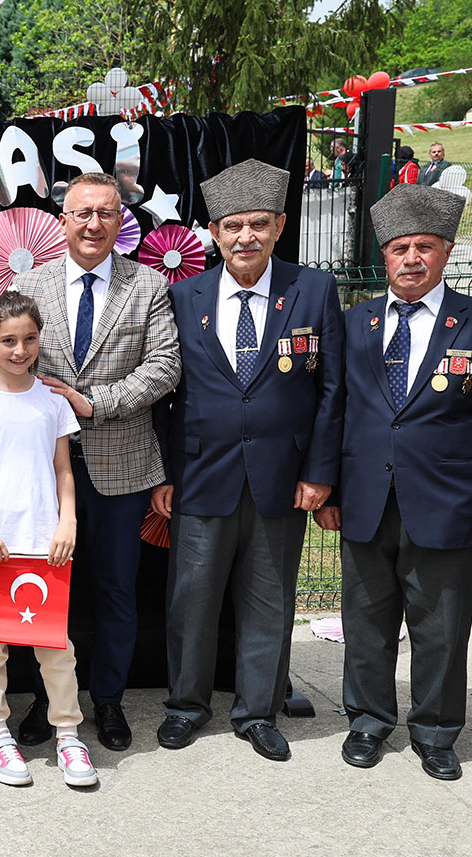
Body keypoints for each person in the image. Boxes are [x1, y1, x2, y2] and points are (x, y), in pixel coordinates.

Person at [151, 160, 345, 762]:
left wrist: (319, 473)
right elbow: (164, 391)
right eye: (232, 226)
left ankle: (257, 712)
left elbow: (332, 389)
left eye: (259, 224)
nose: (245, 237)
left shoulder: (313, 290)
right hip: (200, 476)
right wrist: (163, 474)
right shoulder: (183, 296)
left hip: (282, 480)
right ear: (213, 231)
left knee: (269, 602)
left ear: (280, 225)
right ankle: (186, 705)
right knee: (192, 600)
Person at [315, 184, 472, 782]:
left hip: (447, 503)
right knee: (366, 620)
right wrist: (329, 490)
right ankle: (367, 720)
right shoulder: (356, 321)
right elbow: (333, 411)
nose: (412, 258)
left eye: (425, 246)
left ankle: (436, 731)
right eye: (399, 248)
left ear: (446, 251)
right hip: (366, 500)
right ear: (385, 255)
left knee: (441, 626)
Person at [10, 171, 180, 751]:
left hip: (120, 466)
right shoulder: (29, 284)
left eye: (105, 213)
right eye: (82, 212)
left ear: (120, 220)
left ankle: (108, 701)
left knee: (115, 591)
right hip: (41, 466)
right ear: (63, 218)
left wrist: (93, 403)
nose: (93, 223)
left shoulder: (148, 285)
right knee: (43, 587)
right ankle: (46, 700)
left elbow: (164, 366)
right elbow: (8, 354)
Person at [0, 294, 97, 788]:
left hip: (44, 544)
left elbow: (62, 469)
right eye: (7, 340)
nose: (19, 349)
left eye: (29, 339)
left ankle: (69, 737)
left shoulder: (52, 401)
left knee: (56, 648)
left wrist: (67, 521)